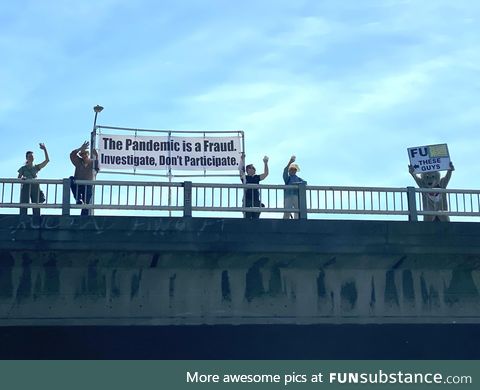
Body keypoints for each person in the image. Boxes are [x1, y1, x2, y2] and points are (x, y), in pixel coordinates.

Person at [17, 143, 50, 216]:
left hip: (35, 187)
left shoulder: (36, 167)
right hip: (26, 186)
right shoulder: (23, 168)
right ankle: (22, 221)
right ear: (26, 158)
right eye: (29, 156)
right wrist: (22, 178)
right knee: (23, 205)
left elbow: (47, 160)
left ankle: (36, 220)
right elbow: (18, 178)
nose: (31, 158)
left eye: (32, 156)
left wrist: (44, 149)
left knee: (36, 206)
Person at [70, 141, 98, 216]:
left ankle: (83, 218)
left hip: (88, 185)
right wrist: (80, 148)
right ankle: (78, 199)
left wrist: (97, 156)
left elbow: (97, 168)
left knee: (86, 204)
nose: (84, 155)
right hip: (78, 185)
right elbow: (72, 155)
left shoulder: (93, 162)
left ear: (88, 154)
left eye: (85, 153)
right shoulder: (78, 161)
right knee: (70, 179)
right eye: (82, 154)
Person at [239, 153, 269, 219]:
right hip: (247, 200)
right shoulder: (245, 178)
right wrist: (242, 160)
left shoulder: (257, 177)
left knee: (256, 218)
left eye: (253, 168)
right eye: (250, 168)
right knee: (247, 218)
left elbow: (266, 174)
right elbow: (241, 171)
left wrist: (265, 163)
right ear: (247, 170)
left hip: (256, 200)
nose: (251, 169)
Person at [283, 155, 306, 219]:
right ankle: (285, 222)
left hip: (296, 196)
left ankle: (297, 222)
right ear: (289, 171)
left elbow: (305, 182)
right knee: (287, 211)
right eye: (291, 169)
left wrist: (299, 183)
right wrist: (290, 162)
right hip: (288, 196)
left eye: (294, 170)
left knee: (298, 211)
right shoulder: (287, 178)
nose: (293, 171)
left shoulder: (298, 178)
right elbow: (285, 171)